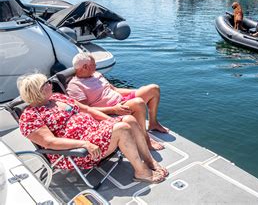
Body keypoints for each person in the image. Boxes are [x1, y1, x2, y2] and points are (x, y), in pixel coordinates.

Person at [17, 73, 168, 184]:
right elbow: (50, 142)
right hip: (77, 150)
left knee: (128, 120)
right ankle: (141, 172)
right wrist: (84, 144)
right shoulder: (30, 116)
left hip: (94, 131)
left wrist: (112, 121)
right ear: (37, 91)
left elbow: (88, 110)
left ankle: (149, 161)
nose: (50, 84)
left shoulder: (57, 98)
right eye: (46, 83)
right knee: (122, 128)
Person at [67, 53, 167, 151]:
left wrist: (138, 91)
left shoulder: (96, 74)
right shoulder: (75, 86)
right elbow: (85, 111)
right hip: (111, 111)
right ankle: (145, 139)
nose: (96, 67)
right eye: (94, 65)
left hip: (121, 101)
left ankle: (153, 123)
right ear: (85, 67)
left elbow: (115, 89)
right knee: (138, 103)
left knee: (153, 89)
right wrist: (113, 110)